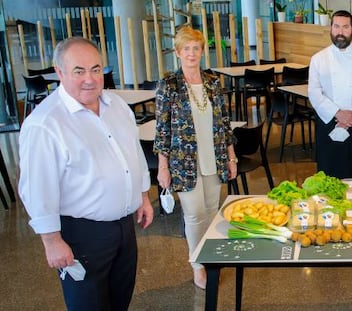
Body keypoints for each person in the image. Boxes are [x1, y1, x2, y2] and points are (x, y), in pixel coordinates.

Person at [18, 37, 154, 310]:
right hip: (81, 234)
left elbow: (133, 152)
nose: (90, 79)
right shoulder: (45, 123)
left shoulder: (115, 105)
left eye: (96, 69)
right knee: (88, 304)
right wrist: (52, 241)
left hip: (124, 227)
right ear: (59, 72)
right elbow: (37, 188)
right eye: (79, 71)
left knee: (120, 298)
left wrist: (143, 196)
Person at [153, 26, 237, 289]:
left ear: (202, 51)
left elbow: (224, 123)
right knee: (194, 213)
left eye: (196, 48)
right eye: (186, 49)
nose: (191, 53)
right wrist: (162, 166)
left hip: (215, 158)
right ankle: (197, 265)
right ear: (178, 52)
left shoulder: (212, 82)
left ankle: (210, 258)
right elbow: (162, 128)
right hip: (183, 162)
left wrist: (232, 157)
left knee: (212, 211)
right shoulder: (169, 85)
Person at [308, 10, 352, 179]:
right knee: (328, 173)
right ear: (331, 29)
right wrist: (337, 113)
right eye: (337, 26)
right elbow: (314, 91)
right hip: (329, 122)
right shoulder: (318, 58)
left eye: (345, 27)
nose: (340, 32)